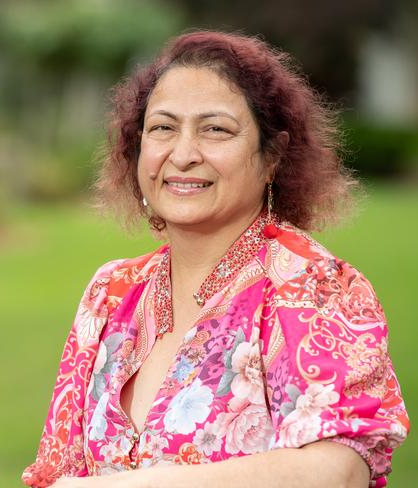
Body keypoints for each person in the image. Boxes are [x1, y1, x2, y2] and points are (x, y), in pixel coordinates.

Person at [21, 30, 409, 488]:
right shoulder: (111, 293)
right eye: (163, 128)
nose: (183, 155)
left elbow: (335, 471)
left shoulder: (311, 288)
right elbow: (56, 473)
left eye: (216, 130)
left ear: (272, 158)